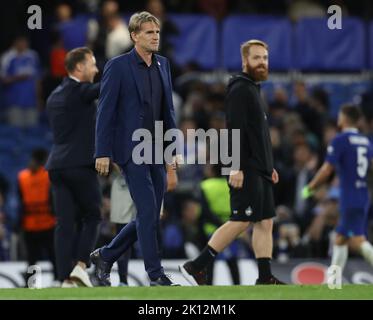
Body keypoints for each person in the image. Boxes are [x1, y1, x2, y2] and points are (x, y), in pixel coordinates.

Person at [179, 39, 285, 285]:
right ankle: (197, 265)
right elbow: (233, 129)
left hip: (260, 168)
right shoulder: (240, 89)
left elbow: (257, 133)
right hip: (245, 167)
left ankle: (265, 276)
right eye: (257, 58)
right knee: (241, 220)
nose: (262, 63)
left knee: (265, 220)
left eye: (265, 58)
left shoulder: (253, 89)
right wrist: (235, 166)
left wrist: (269, 165)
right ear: (245, 60)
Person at [91, 11, 180, 287]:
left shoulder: (163, 64)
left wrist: (171, 150)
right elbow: (105, 112)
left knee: (150, 214)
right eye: (149, 32)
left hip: (157, 148)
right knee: (147, 210)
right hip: (131, 150)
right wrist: (102, 152)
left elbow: (168, 111)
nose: (155, 37)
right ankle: (156, 275)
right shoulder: (117, 66)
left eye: (157, 32)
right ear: (134, 36)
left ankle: (106, 256)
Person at [45, 47, 101, 288]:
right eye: (93, 64)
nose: (96, 69)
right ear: (79, 67)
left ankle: (63, 278)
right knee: (93, 215)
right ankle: (80, 266)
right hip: (79, 164)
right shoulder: (80, 92)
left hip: (56, 166)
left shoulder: (54, 95)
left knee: (64, 223)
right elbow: (105, 88)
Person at [302, 104, 373, 273]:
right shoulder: (365, 141)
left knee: (357, 240)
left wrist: (311, 187)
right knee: (341, 237)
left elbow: (327, 169)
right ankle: (333, 282)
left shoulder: (340, 140)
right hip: (363, 194)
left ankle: (332, 281)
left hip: (349, 195)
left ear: (344, 119)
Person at [17, 149, 57, 285]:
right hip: (34, 225)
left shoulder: (26, 176)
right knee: (34, 258)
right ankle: (56, 281)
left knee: (51, 256)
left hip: (45, 224)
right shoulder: (26, 177)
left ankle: (57, 280)